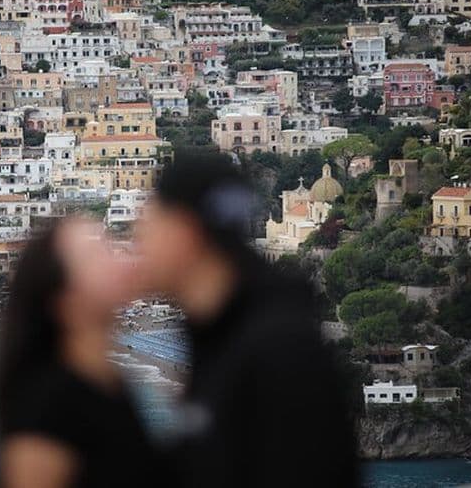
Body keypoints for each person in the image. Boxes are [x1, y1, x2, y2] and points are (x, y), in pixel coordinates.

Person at [135, 155, 359, 488]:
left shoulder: (274, 346)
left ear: (183, 230)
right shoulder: (222, 332)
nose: (139, 238)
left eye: (148, 222)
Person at [0, 219, 159, 488]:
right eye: (95, 254)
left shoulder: (109, 383)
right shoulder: (45, 407)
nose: (114, 257)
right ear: (65, 300)